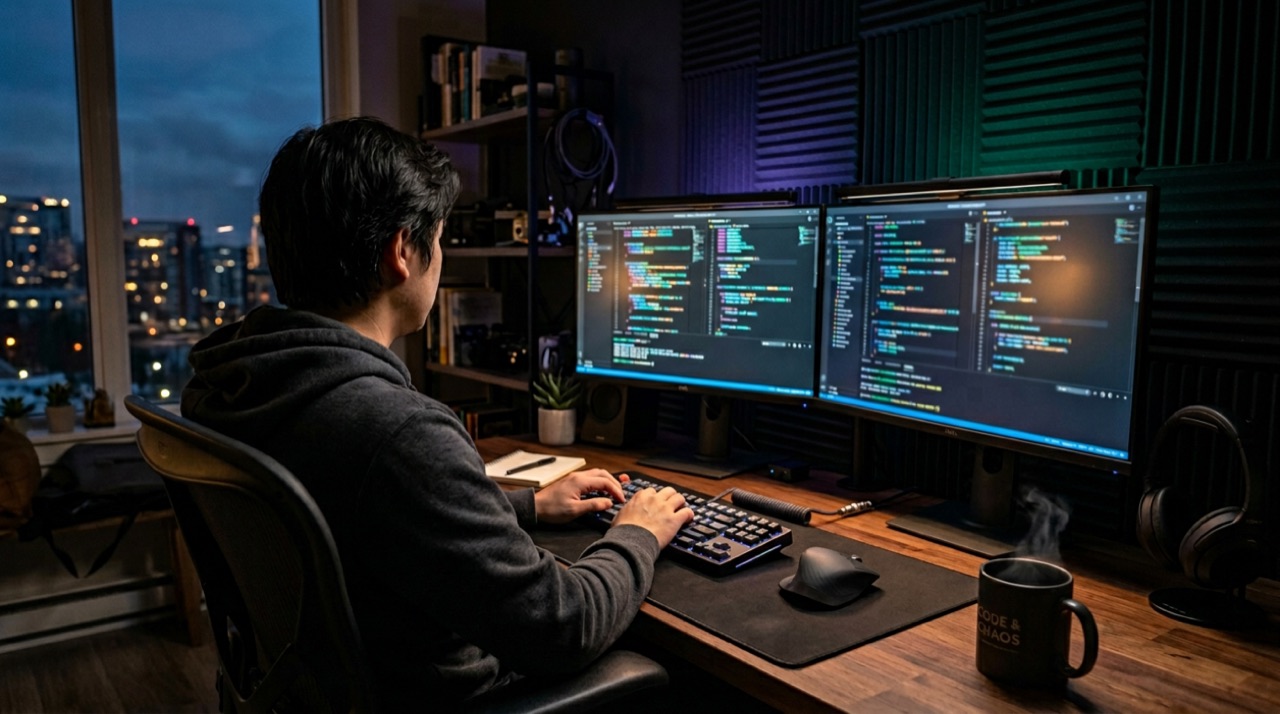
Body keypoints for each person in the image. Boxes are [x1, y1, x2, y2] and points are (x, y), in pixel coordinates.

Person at [182, 116, 694, 708]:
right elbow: (563, 625)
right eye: (442, 238)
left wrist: (526, 505)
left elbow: (363, 511)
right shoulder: (398, 431)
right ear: (402, 251)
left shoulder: (230, 386)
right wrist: (636, 533)